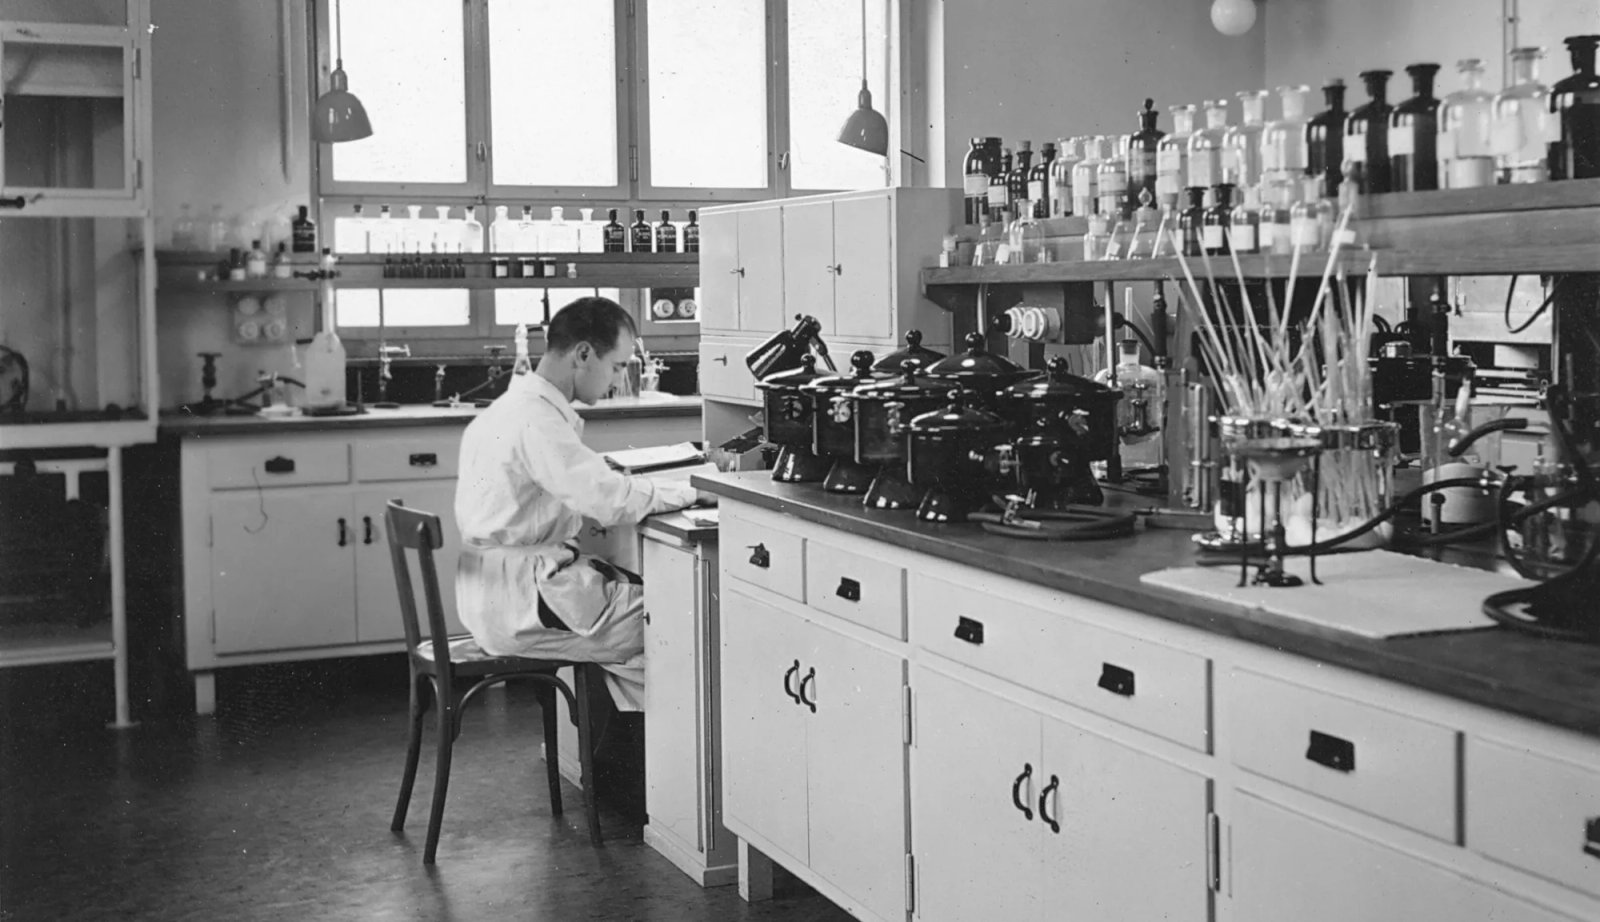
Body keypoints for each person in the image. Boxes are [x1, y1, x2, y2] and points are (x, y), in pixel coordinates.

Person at [454, 296, 710, 714]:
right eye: (617, 366)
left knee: (653, 638)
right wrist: (694, 490)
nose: (618, 378)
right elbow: (607, 500)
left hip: (498, 592)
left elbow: (588, 485)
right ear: (583, 354)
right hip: (523, 602)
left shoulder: (513, 408)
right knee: (690, 615)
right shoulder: (536, 419)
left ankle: (632, 760)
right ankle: (675, 768)